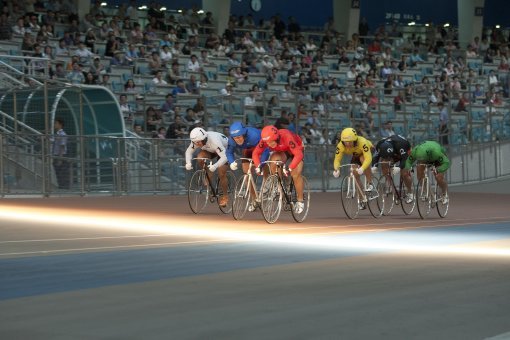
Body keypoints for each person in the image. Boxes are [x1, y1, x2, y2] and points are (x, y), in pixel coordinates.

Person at [252, 125, 306, 214]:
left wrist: (290, 167)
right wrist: (258, 166)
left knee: (295, 174)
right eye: (267, 142)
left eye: (271, 142)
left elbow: (298, 155)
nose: (268, 144)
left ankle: (300, 200)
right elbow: (255, 153)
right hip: (283, 150)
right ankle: (279, 185)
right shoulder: (265, 140)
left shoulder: (286, 136)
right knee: (273, 160)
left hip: (297, 149)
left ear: (276, 138)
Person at [226, 122, 269, 211]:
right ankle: (254, 200)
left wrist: (261, 164)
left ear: (244, 134)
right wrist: (231, 162)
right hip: (248, 150)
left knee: (263, 165)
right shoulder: (231, 140)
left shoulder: (254, 136)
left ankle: (266, 181)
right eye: (235, 138)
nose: (237, 140)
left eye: (239, 137)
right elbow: (229, 152)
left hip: (260, 148)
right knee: (246, 173)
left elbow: (265, 150)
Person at [184, 127, 230, 207]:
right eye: (195, 142)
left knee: (221, 173)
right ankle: (208, 175)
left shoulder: (215, 141)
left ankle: (225, 196)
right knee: (200, 157)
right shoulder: (197, 140)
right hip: (211, 150)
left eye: (198, 142)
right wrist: (188, 162)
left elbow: (224, 157)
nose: (197, 144)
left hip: (224, 150)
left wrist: (215, 166)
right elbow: (188, 151)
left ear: (204, 138)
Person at [332, 128, 374, 208]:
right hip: (356, 154)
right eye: (345, 142)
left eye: (350, 142)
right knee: (355, 174)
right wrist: (336, 169)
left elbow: (368, 158)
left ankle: (370, 183)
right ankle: (362, 199)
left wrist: (362, 168)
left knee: (363, 159)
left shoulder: (362, 142)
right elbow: (337, 159)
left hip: (369, 150)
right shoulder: (340, 145)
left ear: (355, 140)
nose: (347, 144)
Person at [371, 135, 413, 203]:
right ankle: (390, 184)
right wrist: (374, 166)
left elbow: (405, 159)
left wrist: (399, 167)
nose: (388, 159)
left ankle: (410, 192)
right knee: (384, 162)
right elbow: (375, 156)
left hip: (405, 152)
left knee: (404, 173)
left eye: (388, 157)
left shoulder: (400, 145)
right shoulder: (380, 145)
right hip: (393, 154)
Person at [51, 118, 70, 189]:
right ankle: (61, 186)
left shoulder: (62, 134)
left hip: (61, 155)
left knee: (62, 171)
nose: (54, 125)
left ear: (60, 125)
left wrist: (60, 158)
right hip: (56, 155)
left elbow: (62, 146)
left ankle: (64, 186)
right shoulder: (57, 134)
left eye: (56, 123)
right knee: (57, 171)